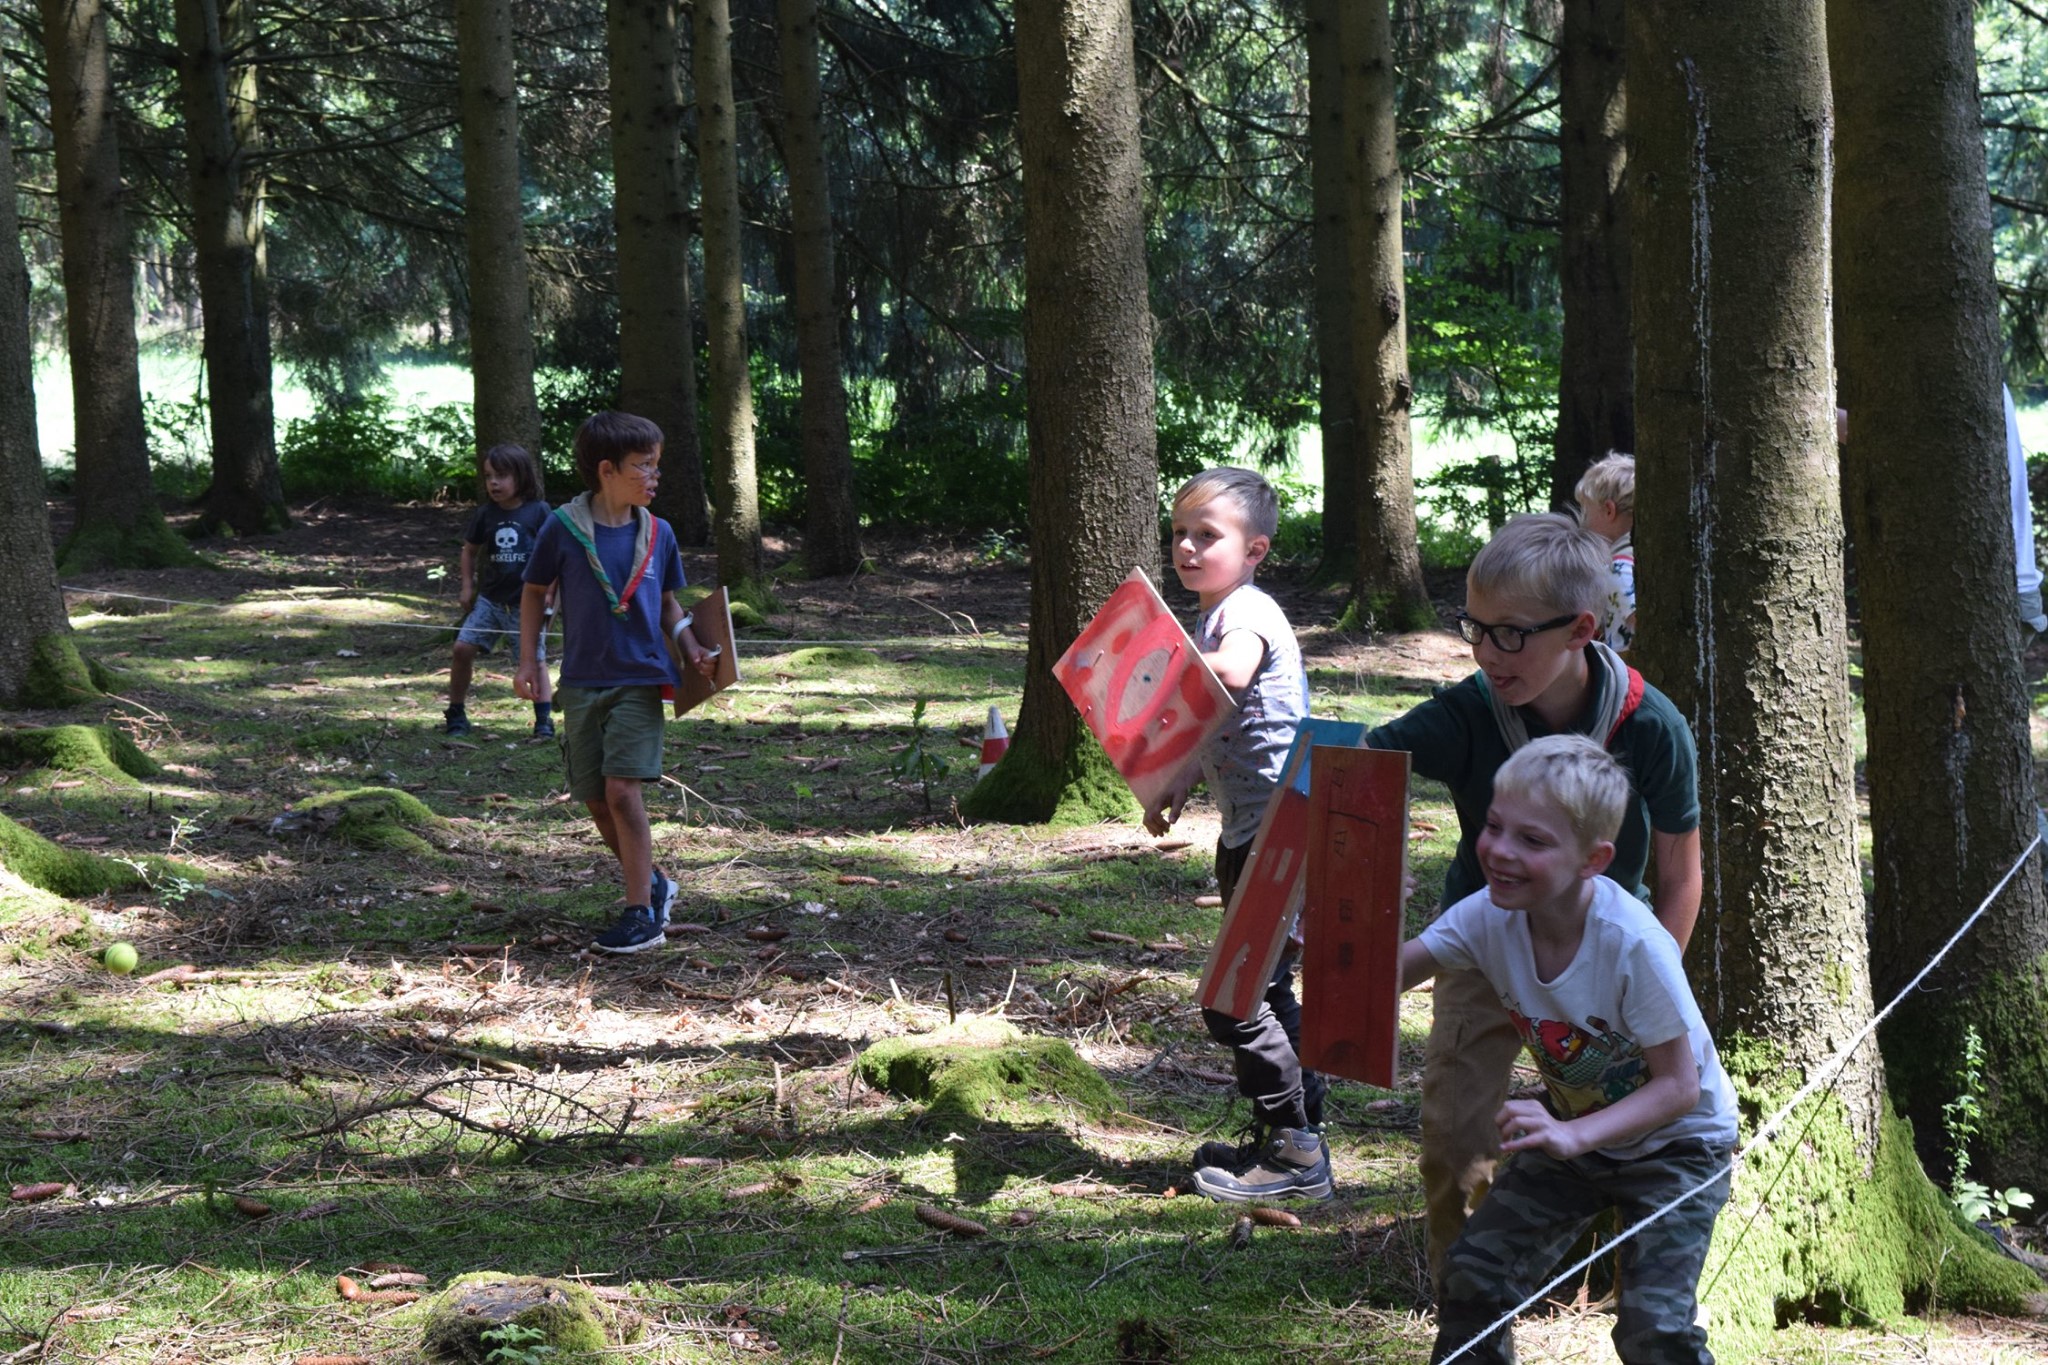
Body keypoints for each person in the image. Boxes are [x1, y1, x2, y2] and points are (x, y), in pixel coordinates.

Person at [1363, 512, 1702, 1285]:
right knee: (1456, 1129)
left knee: (1615, 1122)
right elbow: (1355, 774)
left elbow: (1682, 872)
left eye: (1510, 634)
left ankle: (1605, 1268)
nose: (1487, 652)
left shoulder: (1650, 724)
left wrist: (1653, 980)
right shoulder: (1467, 711)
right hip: (1483, 948)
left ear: (1582, 628)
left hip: (1607, 961)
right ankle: (1469, 1289)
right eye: (1476, 629)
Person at [1399, 734, 1734, 1365]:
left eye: (1533, 840)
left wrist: (1574, 1137)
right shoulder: (1485, 917)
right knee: (1473, 1274)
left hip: (1678, 1145)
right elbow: (1386, 974)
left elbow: (1678, 1087)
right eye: (1495, 826)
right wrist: (1351, 918)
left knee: (1652, 1331)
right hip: (1577, 1136)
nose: (1499, 851)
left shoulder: (1632, 944)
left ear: (1592, 859)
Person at [1141, 468, 1323, 1202]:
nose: (1186, 547)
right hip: (1255, 830)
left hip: (1284, 832)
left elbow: (1229, 675)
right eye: (1179, 534)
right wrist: (1179, 780)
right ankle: (1295, 1129)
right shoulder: (1215, 613)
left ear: (1255, 550)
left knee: (1233, 998)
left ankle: (1296, 1151)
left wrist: (1150, 671)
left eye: (1206, 536)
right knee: (1265, 988)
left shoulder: (1245, 614)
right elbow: (1217, 714)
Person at [514, 412, 717, 954]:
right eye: (643, 467)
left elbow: (669, 603)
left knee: (623, 792)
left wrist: (692, 646)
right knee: (595, 798)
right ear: (606, 470)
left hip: (641, 678)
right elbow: (534, 593)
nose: (654, 477)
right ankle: (654, 882)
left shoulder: (659, 532)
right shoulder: (562, 527)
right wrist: (530, 659)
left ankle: (640, 914)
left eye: (657, 466)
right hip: (581, 681)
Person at [448, 444, 554, 738]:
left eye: (502, 475)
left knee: (536, 659)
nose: (494, 482)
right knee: (461, 648)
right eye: (489, 476)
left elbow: (555, 554)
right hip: (490, 600)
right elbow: (469, 551)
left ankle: (543, 719)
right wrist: (467, 586)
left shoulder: (539, 511)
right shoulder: (486, 514)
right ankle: (456, 713)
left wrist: (550, 592)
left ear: (520, 477)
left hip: (526, 604)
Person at [1573, 451, 1636, 654]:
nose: (1582, 521)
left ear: (1609, 510)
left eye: (1586, 511)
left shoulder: (1618, 570)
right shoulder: (1632, 561)